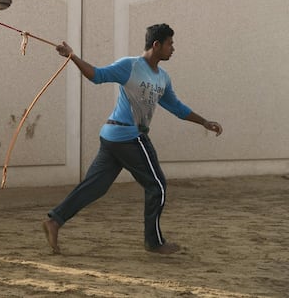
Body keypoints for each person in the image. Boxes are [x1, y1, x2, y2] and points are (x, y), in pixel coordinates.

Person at [42, 24, 223, 255]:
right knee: (157, 185)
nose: (173, 48)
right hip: (128, 136)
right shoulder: (130, 65)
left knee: (95, 186)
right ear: (156, 45)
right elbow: (96, 76)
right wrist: (72, 56)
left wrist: (204, 122)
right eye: (170, 43)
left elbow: (176, 107)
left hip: (113, 138)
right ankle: (154, 242)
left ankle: (54, 220)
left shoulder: (163, 78)